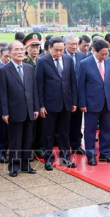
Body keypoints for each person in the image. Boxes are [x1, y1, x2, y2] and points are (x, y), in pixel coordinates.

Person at [0, 41, 39, 177]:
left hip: (28, 110)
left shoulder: (29, 68)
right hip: (13, 111)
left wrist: (36, 108)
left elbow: (34, 91)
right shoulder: (3, 70)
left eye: (22, 49)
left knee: (28, 139)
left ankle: (26, 164)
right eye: (16, 49)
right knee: (15, 140)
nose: (20, 52)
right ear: (9, 53)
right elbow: (2, 93)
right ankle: (14, 166)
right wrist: (4, 112)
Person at [36, 36, 78, 170]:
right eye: (56, 50)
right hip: (49, 104)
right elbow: (39, 85)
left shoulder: (68, 59)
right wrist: (41, 105)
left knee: (65, 133)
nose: (59, 53)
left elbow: (72, 82)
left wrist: (74, 101)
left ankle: (65, 158)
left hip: (66, 103)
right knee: (48, 133)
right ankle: (48, 159)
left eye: (61, 50)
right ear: (49, 48)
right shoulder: (42, 61)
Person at [78, 39, 110, 166]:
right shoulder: (84, 63)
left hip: (108, 102)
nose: (104, 56)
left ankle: (105, 153)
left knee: (107, 129)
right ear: (94, 50)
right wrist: (82, 103)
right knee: (90, 131)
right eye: (102, 54)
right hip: (91, 103)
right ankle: (90, 155)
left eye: (106, 54)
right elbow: (81, 86)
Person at [64, 34, 87, 155]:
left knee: (77, 121)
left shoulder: (82, 56)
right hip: (65, 95)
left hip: (78, 94)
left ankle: (76, 144)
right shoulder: (61, 56)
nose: (74, 46)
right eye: (72, 44)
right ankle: (65, 145)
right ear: (65, 44)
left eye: (76, 44)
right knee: (66, 122)